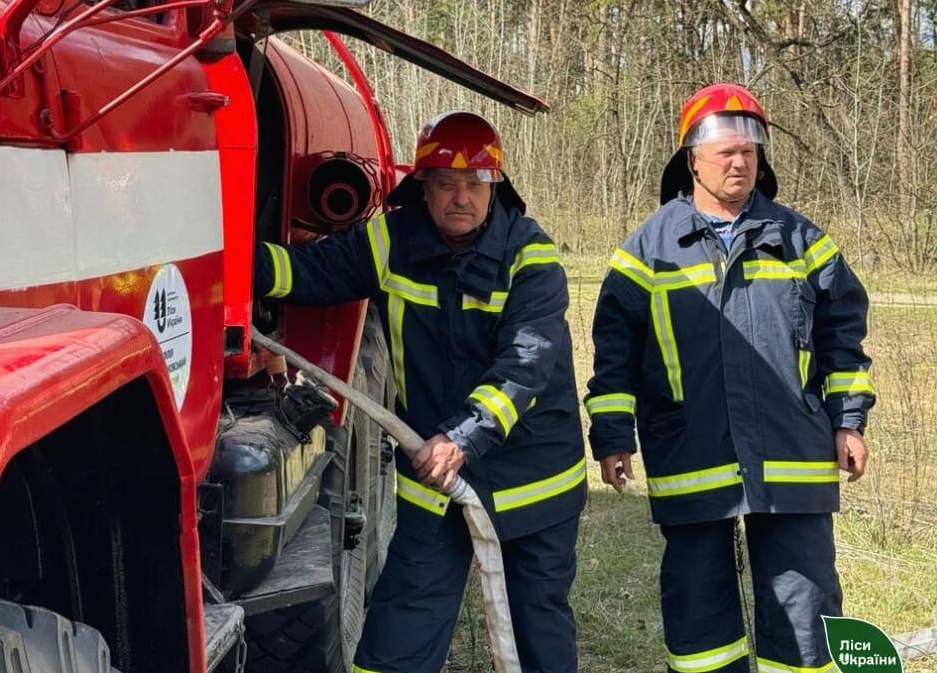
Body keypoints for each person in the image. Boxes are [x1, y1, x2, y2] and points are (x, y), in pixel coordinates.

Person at [256, 110, 585, 673]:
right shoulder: (391, 239)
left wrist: (462, 438)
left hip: (530, 481)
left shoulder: (531, 257)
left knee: (537, 631)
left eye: (475, 184)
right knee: (401, 628)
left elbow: (525, 363)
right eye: (446, 184)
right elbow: (308, 273)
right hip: (436, 480)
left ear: (495, 188)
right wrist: (233, 263)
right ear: (423, 189)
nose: (462, 198)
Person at [585, 83, 875, 673]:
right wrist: (614, 435)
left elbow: (842, 339)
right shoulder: (648, 251)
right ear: (691, 156)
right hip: (691, 452)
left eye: (749, 150)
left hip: (791, 454)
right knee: (697, 612)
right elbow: (615, 355)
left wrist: (848, 423)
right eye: (724, 152)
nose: (739, 162)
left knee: (806, 608)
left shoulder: (802, 241)